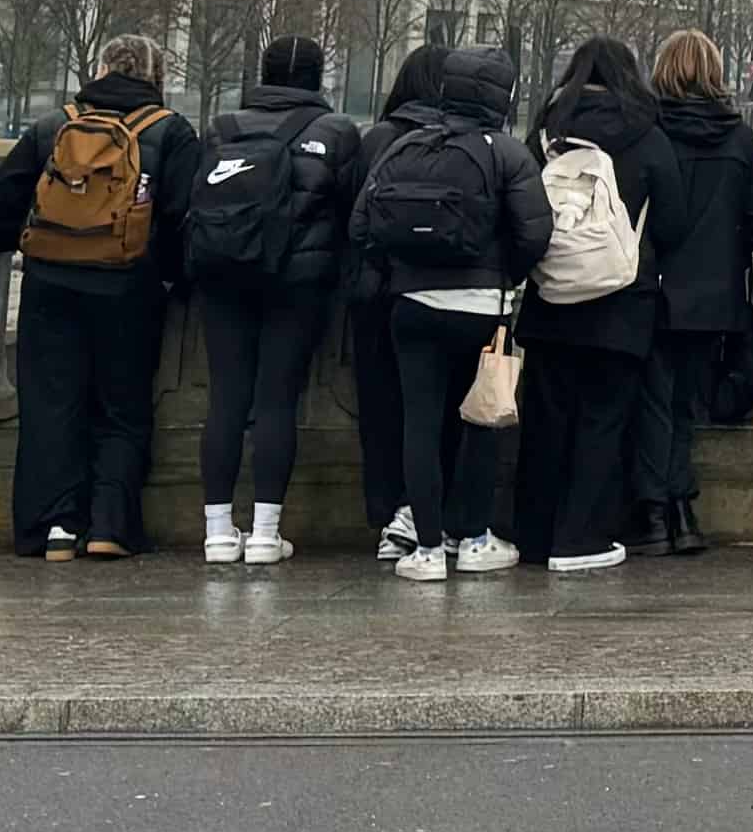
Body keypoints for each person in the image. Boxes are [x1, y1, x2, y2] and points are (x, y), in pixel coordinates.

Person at [0, 31, 194, 559]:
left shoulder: (56, 124)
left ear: (99, 70)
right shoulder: (169, 132)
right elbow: (183, 217)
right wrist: (165, 276)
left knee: (50, 403)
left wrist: (26, 248)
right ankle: (110, 527)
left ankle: (52, 528)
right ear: (156, 77)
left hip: (51, 282)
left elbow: (3, 198)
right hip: (128, 286)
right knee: (121, 406)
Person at [353, 42, 547, 579]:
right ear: (502, 97)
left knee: (419, 422)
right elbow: (535, 233)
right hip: (482, 307)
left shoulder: (405, 147)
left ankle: (428, 548)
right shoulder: (505, 153)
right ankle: (476, 537)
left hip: (411, 305)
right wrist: (504, 273)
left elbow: (361, 226)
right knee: (480, 419)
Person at [182, 35, 362, 569]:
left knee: (226, 399)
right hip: (296, 281)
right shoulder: (337, 132)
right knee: (276, 401)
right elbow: (352, 213)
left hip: (223, 276)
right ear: (316, 76)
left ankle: (217, 531)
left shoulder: (220, 127)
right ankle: (264, 533)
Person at [508, 36, 665, 572]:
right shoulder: (647, 131)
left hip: (552, 301)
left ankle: (532, 536)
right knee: (602, 421)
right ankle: (580, 540)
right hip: (621, 305)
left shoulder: (548, 131)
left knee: (546, 420)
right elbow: (676, 215)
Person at [630, 30, 753, 556]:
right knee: (686, 405)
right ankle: (682, 512)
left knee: (653, 400)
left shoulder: (649, 132)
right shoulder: (739, 138)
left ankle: (653, 514)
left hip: (652, 288)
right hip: (713, 295)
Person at [343, 43, 453, 561]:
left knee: (382, 411)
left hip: (377, 293)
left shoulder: (376, 140)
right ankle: (433, 513)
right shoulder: (463, 143)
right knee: (439, 412)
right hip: (443, 294)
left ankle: (389, 514)